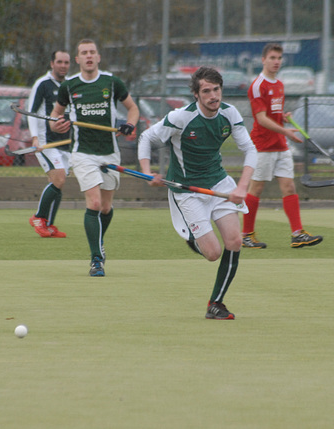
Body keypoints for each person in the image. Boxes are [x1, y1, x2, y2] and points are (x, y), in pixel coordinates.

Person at [137, 66, 257, 320]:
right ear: (196, 94)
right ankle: (194, 238)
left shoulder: (230, 113)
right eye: (206, 91)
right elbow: (146, 138)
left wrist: (242, 187)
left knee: (234, 242)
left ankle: (216, 304)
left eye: (216, 89)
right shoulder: (180, 117)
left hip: (219, 184)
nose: (213, 95)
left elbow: (251, 150)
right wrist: (148, 172)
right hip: (186, 190)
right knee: (212, 253)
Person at [49, 39, 139, 276]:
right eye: (83, 53)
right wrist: (57, 125)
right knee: (95, 203)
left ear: (98, 57)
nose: (88, 56)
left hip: (109, 152)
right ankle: (96, 259)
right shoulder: (69, 86)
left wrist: (129, 125)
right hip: (83, 153)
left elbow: (133, 109)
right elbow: (55, 115)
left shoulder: (112, 82)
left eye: (92, 52)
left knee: (106, 208)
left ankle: (98, 243)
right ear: (77, 60)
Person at [241, 43, 323, 249]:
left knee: (289, 187)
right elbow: (260, 119)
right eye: (272, 58)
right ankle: (246, 235)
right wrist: (285, 131)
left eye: (279, 58)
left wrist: (283, 118)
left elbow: (272, 114)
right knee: (256, 189)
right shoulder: (258, 85)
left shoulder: (279, 84)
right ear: (263, 60)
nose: (276, 62)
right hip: (263, 146)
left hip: (280, 144)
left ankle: (297, 234)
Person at [27, 50, 72, 238]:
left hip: (66, 143)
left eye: (66, 62)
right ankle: (38, 217)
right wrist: (35, 137)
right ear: (52, 63)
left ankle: (49, 225)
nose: (63, 65)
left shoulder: (70, 85)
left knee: (58, 183)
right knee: (59, 179)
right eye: (59, 62)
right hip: (46, 143)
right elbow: (31, 111)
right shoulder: (42, 84)